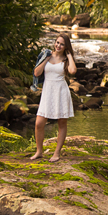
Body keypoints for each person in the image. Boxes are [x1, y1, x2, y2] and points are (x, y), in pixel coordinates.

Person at [30, 33, 78, 162]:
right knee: (39, 123)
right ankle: (39, 151)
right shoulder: (46, 54)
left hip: (61, 91)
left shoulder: (66, 59)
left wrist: (69, 55)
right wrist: (46, 58)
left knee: (61, 123)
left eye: (62, 44)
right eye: (57, 42)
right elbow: (36, 72)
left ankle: (57, 153)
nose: (58, 45)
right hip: (47, 91)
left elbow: (73, 71)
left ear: (66, 46)